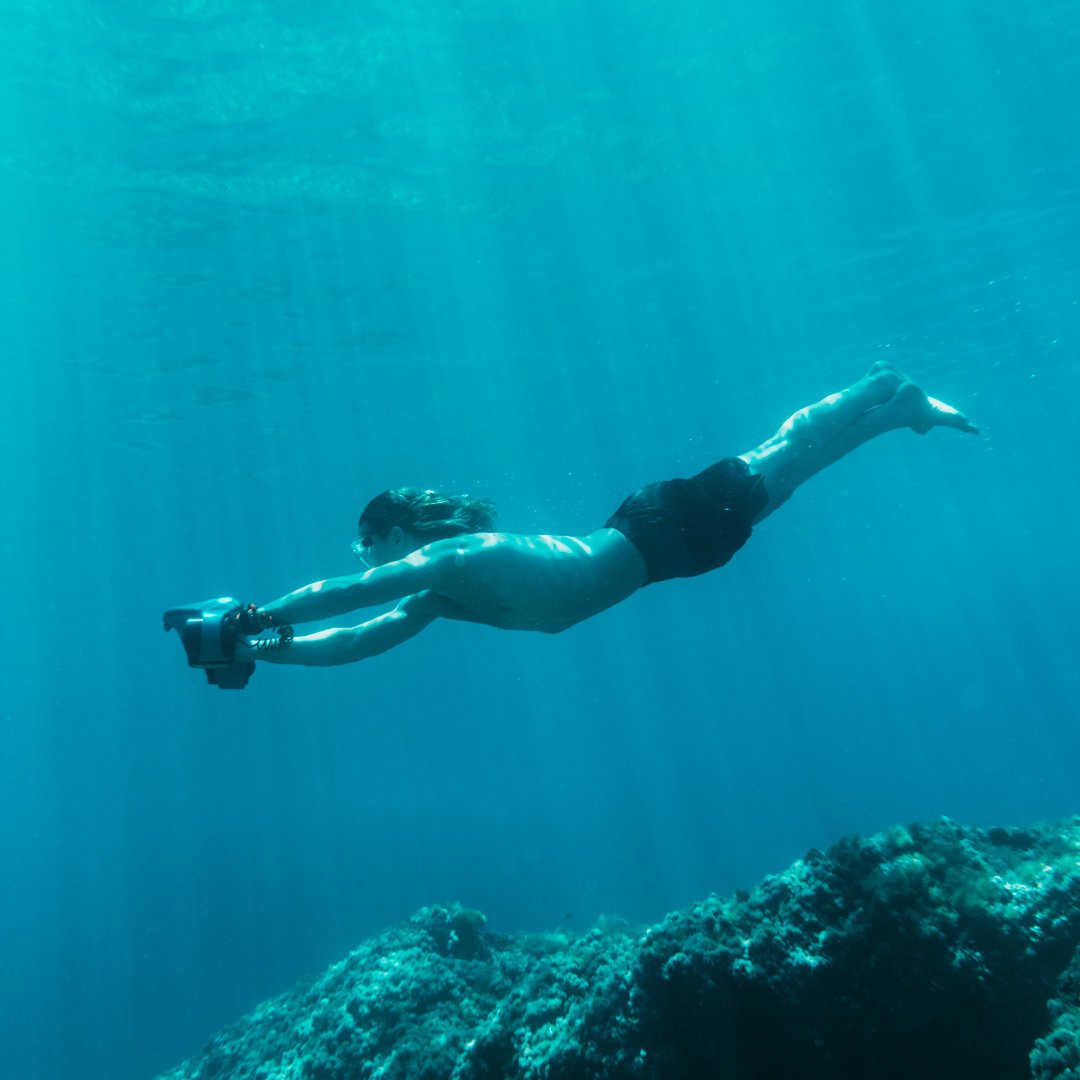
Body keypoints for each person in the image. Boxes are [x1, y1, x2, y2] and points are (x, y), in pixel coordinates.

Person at [236, 363, 978, 667]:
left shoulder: (447, 562)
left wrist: (253, 615)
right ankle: (898, 412)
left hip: (661, 527)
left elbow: (342, 595)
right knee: (789, 475)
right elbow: (360, 638)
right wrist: (264, 650)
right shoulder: (437, 598)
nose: (367, 556)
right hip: (674, 556)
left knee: (779, 455)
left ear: (399, 532)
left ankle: (873, 385)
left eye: (370, 542)